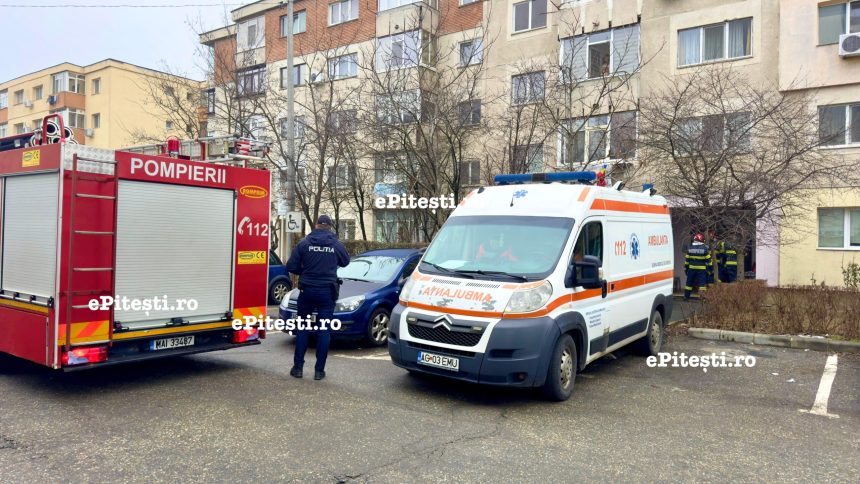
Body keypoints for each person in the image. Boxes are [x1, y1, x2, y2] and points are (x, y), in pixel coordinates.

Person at [285, 215, 350, 381]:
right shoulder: (335, 244)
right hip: (327, 292)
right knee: (324, 331)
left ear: (316, 225)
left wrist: (306, 272)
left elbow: (291, 266)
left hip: (307, 291)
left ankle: (298, 368)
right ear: (329, 226)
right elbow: (346, 262)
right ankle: (319, 371)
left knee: (302, 329)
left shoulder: (305, 243)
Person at [684, 233, 711, 300]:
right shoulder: (705, 249)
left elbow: (687, 260)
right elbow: (708, 261)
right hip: (702, 270)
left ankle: (686, 297)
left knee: (689, 283)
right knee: (702, 284)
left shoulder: (690, 248)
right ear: (702, 240)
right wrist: (710, 269)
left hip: (691, 269)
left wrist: (686, 269)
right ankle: (703, 298)